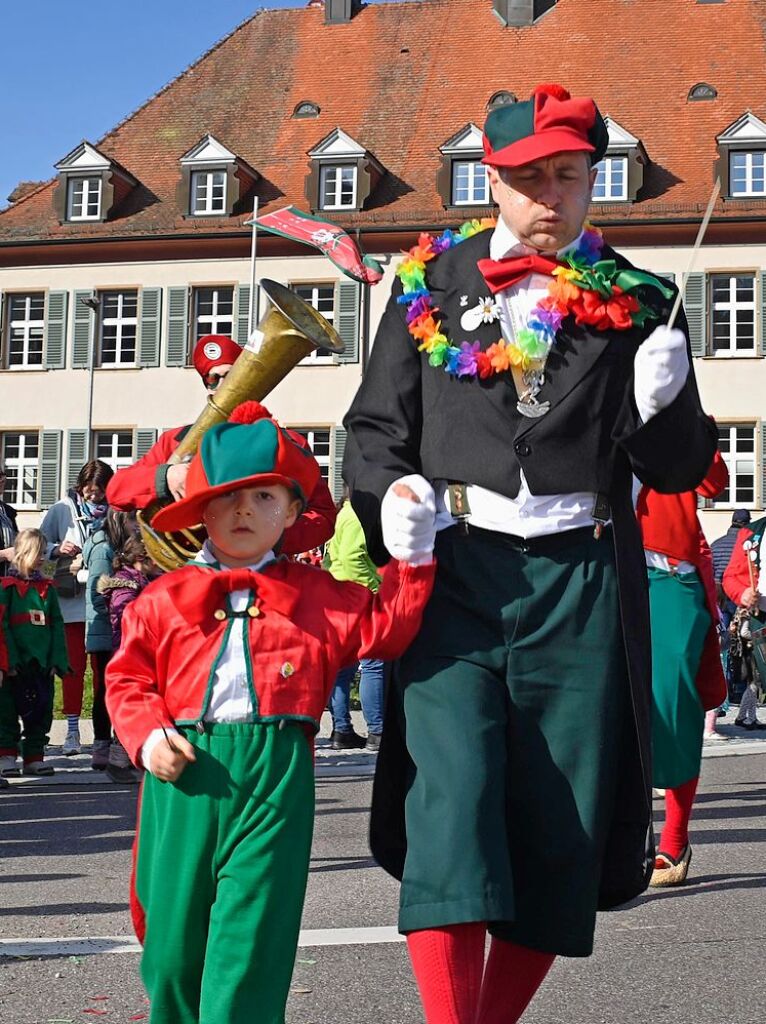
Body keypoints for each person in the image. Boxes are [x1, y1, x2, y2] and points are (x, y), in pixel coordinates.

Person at [343, 82, 718, 1024]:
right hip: (461, 572)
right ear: (492, 182)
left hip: (581, 580)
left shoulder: (643, 300)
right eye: (528, 178)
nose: (550, 195)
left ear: (594, 181)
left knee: (562, 831)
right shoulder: (428, 282)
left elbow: (677, 470)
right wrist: (390, 499)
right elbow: (374, 431)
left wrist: (668, 402)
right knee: (454, 807)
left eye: (569, 174)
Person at [105, 402, 435, 1024]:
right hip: (184, 774)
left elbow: (385, 629)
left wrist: (413, 558)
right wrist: (147, 735)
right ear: (201, 511)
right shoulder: (160, 599)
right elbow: (126, 676)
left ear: (290, 511)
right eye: (228, 497)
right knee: (172, 951)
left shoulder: (317, 597)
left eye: (262, 497)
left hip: (276, 776)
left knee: (251, 944)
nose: (243, 511)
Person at [105, 334, 337, 556]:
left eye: (232, 376)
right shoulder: (175, 441)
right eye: (214, 379)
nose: (226, 386)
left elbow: (323, 518)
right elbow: (117, 491)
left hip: (266, 571)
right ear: (208, 387)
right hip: (192, 571)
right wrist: (166, 477)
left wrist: (271, 535)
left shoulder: (289, 444)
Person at [636, 454, 728, 886]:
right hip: (591, 561)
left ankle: (673, 837)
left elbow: (714, 482)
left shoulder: (671, 398)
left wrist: (674, 413)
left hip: (667, 572)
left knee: (673, 704)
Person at [40, 459, 113, 756]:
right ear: (80, 486)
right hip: (68, 604)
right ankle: (71, 732)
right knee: (71, 670)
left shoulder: (115, 513)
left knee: (103, 671)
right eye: (89, 490)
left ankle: (101, 734)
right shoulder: (61, 510)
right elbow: (37, 555)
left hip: (102, 604)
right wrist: (56, 551)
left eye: (99, 491)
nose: (94, 496)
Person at [0, 529, 69, 777]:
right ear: (23, 553)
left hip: (41, 664)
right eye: (38, 553)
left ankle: (34, 756)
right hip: (15, 665)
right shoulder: (7, 588)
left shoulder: (47, 589)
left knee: (41, 711)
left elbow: (57, 624)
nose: (42, 558)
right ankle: (7, 755)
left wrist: (57, 659)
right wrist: (10, 661)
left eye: (43, 553)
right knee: (7, 711)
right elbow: (3, 626)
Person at [324, 493, 385, 750]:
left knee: (343, 669)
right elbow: (352, 558)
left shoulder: (342, 515)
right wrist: (375, 588)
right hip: (358, 596)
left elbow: (334, 558)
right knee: (373, 664)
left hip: (338, 596)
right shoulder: (359, 515)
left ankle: (342, 730)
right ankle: (378, 731)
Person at [97, 532, 156, 783]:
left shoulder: (145, 581)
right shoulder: (125, 586)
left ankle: (130, 759)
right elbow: (126, 620)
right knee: (134, 707)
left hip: (143, 652)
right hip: (130, 653)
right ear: (143, 557)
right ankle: (118, 761)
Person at [83, 508, 137, 770]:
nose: (135, 524)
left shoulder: (119, 546)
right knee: (106, 692)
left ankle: (117, 745)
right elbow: (98, 591)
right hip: (107, 633)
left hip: (116, 632)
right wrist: (120, 617)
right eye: (131, 519)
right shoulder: (104, 548)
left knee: (117, 690)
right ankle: (102, 746)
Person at [723, 518, 766, 730]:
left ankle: (746, 716)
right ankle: (746, 717)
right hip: (757, 619)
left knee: (753, 678)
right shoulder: (752, 533)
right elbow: (729, 577)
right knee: (755, 677)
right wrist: (743, 593)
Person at [0, 462, 19, 577]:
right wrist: (4, 554)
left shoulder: (7, 512)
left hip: (7, 583)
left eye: (3, 475)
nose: (2, 480)